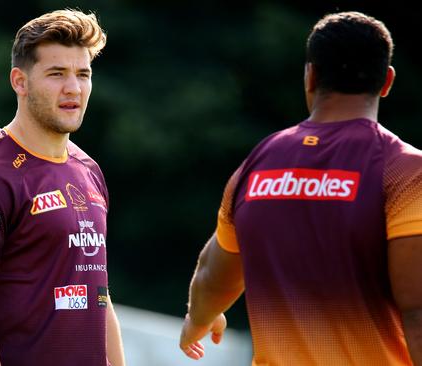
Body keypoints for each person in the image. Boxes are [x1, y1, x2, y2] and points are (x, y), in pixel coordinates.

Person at [180, 11, 422, 365]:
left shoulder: (259, 163)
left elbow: (213, 273)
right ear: (387, 82)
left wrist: (197, 319)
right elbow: (417, 312)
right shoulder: (405, 171)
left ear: (310, 76)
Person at [0, 9, 126, 366]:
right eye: (57, 74)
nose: (74, 88)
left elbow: (98, 296)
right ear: (19, 82)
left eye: (82, 74)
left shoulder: (88, 170)